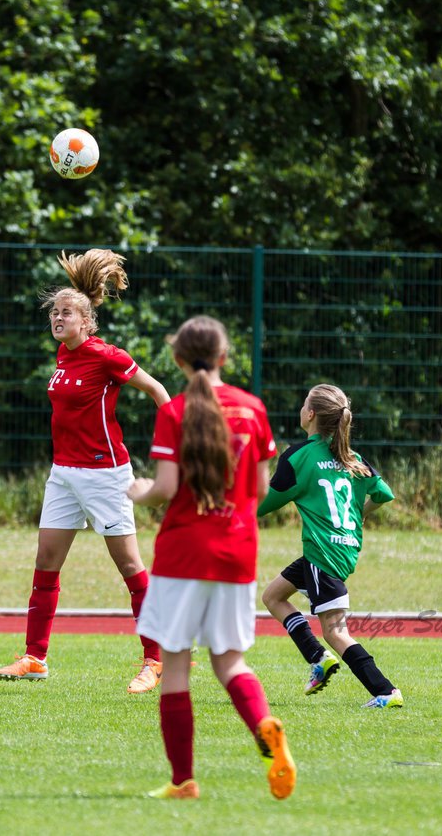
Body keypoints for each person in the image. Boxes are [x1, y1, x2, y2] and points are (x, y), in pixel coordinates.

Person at [128, 315, 295, 801]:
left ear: (177, 359)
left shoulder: (175, 411)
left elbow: (164, 489)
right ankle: (264, 727)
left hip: (183, 554)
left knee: (176, 668)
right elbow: (263, 488)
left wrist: (137, 490)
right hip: (236, 553)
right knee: (231, 663)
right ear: (224, 357)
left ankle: (183, 782)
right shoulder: (253, 409)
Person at [0, 249, 171, 694]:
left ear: (86, 321)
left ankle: (156, 660)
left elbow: (157, 389)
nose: (57, 317)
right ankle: (35, 658)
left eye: (66, 312)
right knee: (45, 563)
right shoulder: (63, 355)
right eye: (54, 311)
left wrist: (176, 438)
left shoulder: (105, 355)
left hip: (106, 476)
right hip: (64, 476)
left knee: (130, 566)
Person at [257, 383, 402, 709]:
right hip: (339, 549)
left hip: (323, 554)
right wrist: (358, 517)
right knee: (273, 596)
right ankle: (317, 658)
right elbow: (384, 494)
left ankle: (385, 691)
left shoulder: (299, 456)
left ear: (310, 414)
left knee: (336, 632)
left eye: (304, 402)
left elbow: (262, 505)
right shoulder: (351, 458)